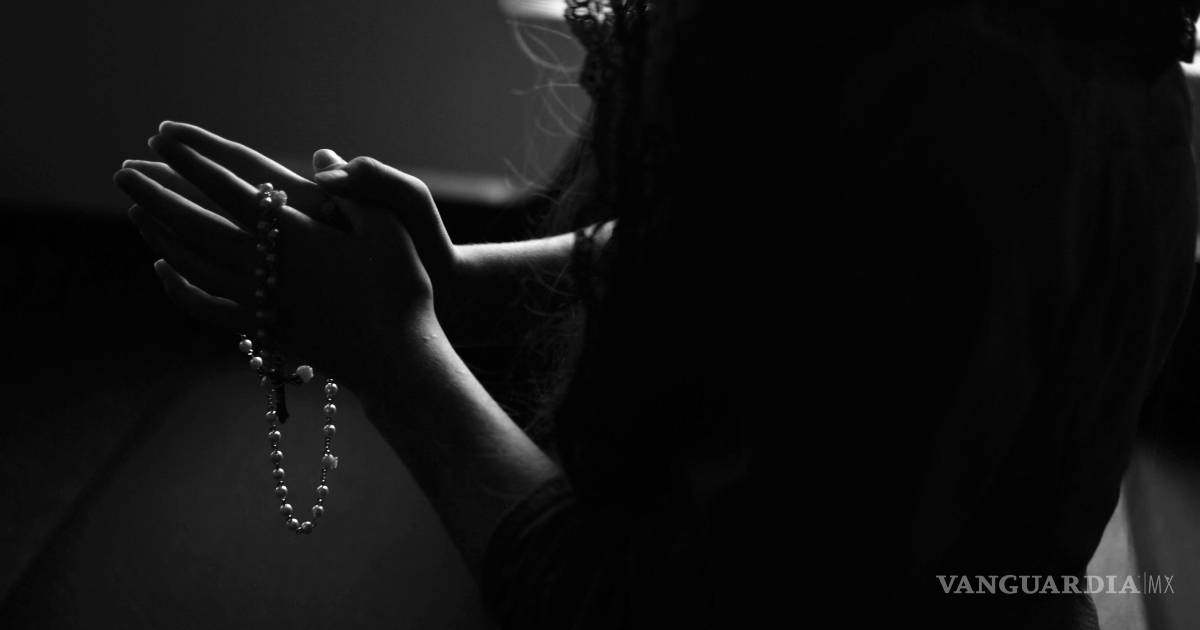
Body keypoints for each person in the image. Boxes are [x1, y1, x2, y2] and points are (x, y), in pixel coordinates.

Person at [113, 1, 1199, 627]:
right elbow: (801, 254)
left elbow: (671, 615)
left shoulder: (979, 116)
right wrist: (459, 281)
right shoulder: (1043, 43)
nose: (599, 32)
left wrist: (396, 356)